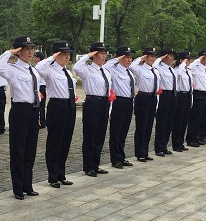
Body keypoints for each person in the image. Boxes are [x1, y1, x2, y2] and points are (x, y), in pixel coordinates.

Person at [0, 35, 41, 200]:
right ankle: (18, 187)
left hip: (33, 111)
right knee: (18, 150)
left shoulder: (34, 70)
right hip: (20, 110)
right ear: (19, 51)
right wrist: (10, 52)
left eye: (32, 49)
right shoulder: (12, 69)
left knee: (30, 150)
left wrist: (39, 113)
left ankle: (28, 185)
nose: (30, 52)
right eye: (26, 49)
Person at [35, 41, 77, 188]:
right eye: (63, 54)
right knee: (55, 142)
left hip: (69, 106)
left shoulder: (67, 72)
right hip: (57, 106)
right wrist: (52, 57)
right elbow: (38, 67)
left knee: (65, 142)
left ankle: (61, 174)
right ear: (56, 54)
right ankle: (53, 176)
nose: (67, 57)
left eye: (68, 54)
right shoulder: (49, 70)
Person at [74, 42, 112, 177]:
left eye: (105, 53)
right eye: (101, 53)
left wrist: (109, 108)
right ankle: (88, 166)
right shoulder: (87, 70)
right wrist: (88, 55)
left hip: (104, 103)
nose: (104, 56)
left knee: (100, 136)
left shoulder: (105, 71)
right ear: (94, 55)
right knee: (90, 135)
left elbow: (109, 90)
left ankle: (96, 164)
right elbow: (76, 66)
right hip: (93, 103)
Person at [105, 46, 136, 169]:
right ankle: (115, 159)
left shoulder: (129, 72)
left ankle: (121, 156)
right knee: (116, 132)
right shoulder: (113, 69)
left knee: (124, 132)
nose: (129, 60)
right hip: (118, 102)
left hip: (128, 102)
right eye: (126, 57)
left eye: (130, 57)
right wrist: (117, 58)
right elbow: (107, 65)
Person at [130, 47, 159, 162]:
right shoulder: (140, 69)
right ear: (145, 57)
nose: (153, 58)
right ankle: (140, 153)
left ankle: (145, 151)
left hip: (153, 97)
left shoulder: (155, 70)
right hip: (143, 97)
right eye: (150, 56)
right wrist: (141, 58)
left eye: (154, 56)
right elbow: (132, 66)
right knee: (141, 126)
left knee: (148, 126)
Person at [153, 47, 177, 157]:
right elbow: (155, 64)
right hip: (164, 95)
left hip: (172, 94)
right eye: (170, 55)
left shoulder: (171, 69)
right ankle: (158, 147)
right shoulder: (158, 66)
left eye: (172, 55)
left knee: (169, 122)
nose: (172, 57)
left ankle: (164, 145)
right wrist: (160, 58)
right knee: (162, 122)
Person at [186, 49, 206, 147]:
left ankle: (198, 136)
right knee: (194, 118)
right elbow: (189, 67)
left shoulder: (205, 67)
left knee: (201, 117)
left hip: (205, 94)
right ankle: (191, 138)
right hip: (197, 94)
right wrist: (198, 60)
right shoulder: (195, 66)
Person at [172, 51, 193, 152]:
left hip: (187, 95)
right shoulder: (177, 70)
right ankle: (176, 143)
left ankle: (181, 142)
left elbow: (191, 86)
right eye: (187, 59)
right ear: (181, 60)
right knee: (178, 121)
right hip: (180, 95)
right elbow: (178, 74)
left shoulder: (188, 71)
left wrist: (191, 99)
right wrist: (183, 63)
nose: (189, 61)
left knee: (184, 120)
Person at [33, 51, 47, 128]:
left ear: (38, 58)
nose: (33, 59)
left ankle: (40, 122)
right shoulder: (44, 66)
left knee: (40, 105)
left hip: (40, 87)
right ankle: (43, 121)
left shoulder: (38, 67)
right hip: (43, 87)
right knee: (42, 106)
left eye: (34, 57)